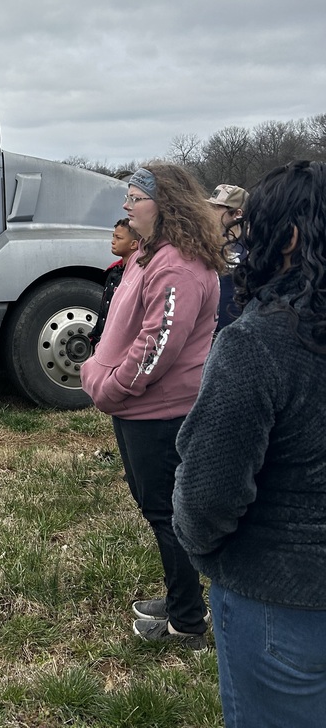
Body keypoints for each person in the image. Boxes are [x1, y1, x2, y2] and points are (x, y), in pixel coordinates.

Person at [173, 160, 326, 725]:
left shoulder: (255, 343)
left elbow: (208, 494)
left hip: (280, 605)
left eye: (252, 227)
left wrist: (204, 551)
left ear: (288, 239)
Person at [81, 164, 223, 649]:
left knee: (166, 513)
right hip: (136, 408)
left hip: (158, 412)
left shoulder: (177, 266)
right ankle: (183, 597)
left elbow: (156, 347)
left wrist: (111, 386)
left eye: (134, 197)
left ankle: (188, 622)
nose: (126, 207)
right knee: (158, 509)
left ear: (165, 206)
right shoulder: (150, 254)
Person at [88, 218, 140, 350]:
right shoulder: (114, 272)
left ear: (133, 244)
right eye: (113, 236)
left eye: (119, 238)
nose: (113, 241)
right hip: (101, 341)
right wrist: (96, 334)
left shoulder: (136, 276)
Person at [207, 183, 248, 334]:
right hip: (208, 333)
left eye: (217, 207)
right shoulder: (204, 242)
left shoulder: (253, 246)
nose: (210, 212)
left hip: (240, 331)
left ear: (237, 213)